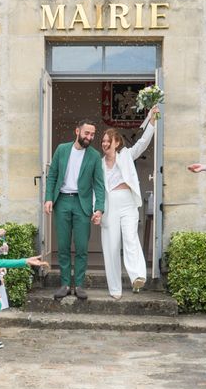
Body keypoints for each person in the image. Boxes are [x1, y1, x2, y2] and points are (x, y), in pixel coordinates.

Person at [100, 106, 158, 299]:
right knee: (111, 246)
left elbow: (143, 143)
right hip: (109, 205)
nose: (105, 144)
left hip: (127, 203)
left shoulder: (126, 155)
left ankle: (138, 276)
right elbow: (96, 188)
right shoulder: (98, 163)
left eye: (108, 141)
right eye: (103, 141)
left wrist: (151, 121)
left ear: (117, 142)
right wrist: (97, 210)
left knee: (131, 238)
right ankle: (115, 289)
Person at [44, 119, 105, 300]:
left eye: (93, 134)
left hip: (82, 203)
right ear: (77, 131)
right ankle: (64, 284)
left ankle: (78, 285)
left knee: (81, 247)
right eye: (87, 133)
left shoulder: (94, 155)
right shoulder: (62, 149)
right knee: (62, 245)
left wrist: (99, 208)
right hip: (62, 200)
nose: (89, 137)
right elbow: (52, 175)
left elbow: (99, 185)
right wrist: (48, 198)